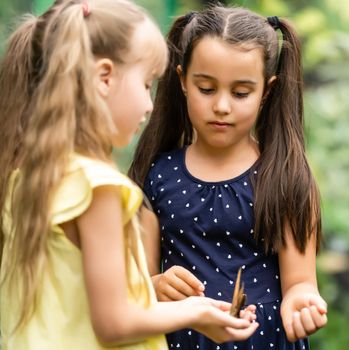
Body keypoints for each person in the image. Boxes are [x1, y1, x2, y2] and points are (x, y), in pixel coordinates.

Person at [0, 1, 259, 349]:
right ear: (105, 77)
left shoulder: (24, 177)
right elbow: (114, 323)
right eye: (146, 83)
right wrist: (195, 312)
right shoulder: (99, 189)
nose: (150, 104)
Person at [129, 5, 328, 349]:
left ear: (266, 91)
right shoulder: (156, 174)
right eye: (207, 88)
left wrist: (302, 302)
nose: (222, 106)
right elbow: (138, 282)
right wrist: (158, 286)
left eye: (240, 93)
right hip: (181, 338)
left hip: (263, 341)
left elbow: (300, 282)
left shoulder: (285, 176)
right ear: (182, 81)